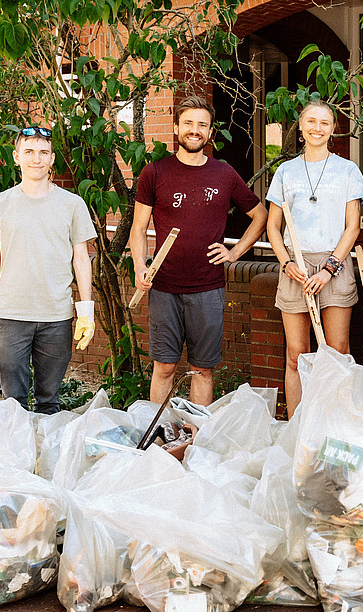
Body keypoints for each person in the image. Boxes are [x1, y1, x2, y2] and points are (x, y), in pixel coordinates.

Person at [129, 95, 267, 405]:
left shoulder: (223, 174)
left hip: (208, 288)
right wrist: (140, 266)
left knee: (202, 370)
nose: (195, 130)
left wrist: (234, 252)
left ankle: (196, 441)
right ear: (176, 128)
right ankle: (158, 437)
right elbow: (138, 229)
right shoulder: (155, 173)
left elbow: (260, 215)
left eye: (202, 125)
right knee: (164, 367)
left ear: (209, 132)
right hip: (163, 287)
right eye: (188, 123)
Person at [0, 126, 96, 415]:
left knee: (49, 402)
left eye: (43, 153)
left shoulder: (73, 204)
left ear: (52, 159)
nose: (37, 159)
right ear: (16, 157)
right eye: (30, 152)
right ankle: (17, 459)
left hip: (56, 317)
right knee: (13, 405)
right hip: (11, 317)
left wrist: (86, 310)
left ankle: (45, 459)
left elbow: (81, 258)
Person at [266, 100, 363, 417]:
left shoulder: (347, 170)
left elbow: (353, 227)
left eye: (324, 123)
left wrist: (329, 269)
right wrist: (286, 263)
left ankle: (337, 421)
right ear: (300, 127)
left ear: (333, 129)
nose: (317, 128)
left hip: (334, 265)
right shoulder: (285, 172)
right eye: (311, 121)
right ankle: (299, 425)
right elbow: (273, 225)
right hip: (295, 265)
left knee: (337, 351)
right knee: (296, 353)